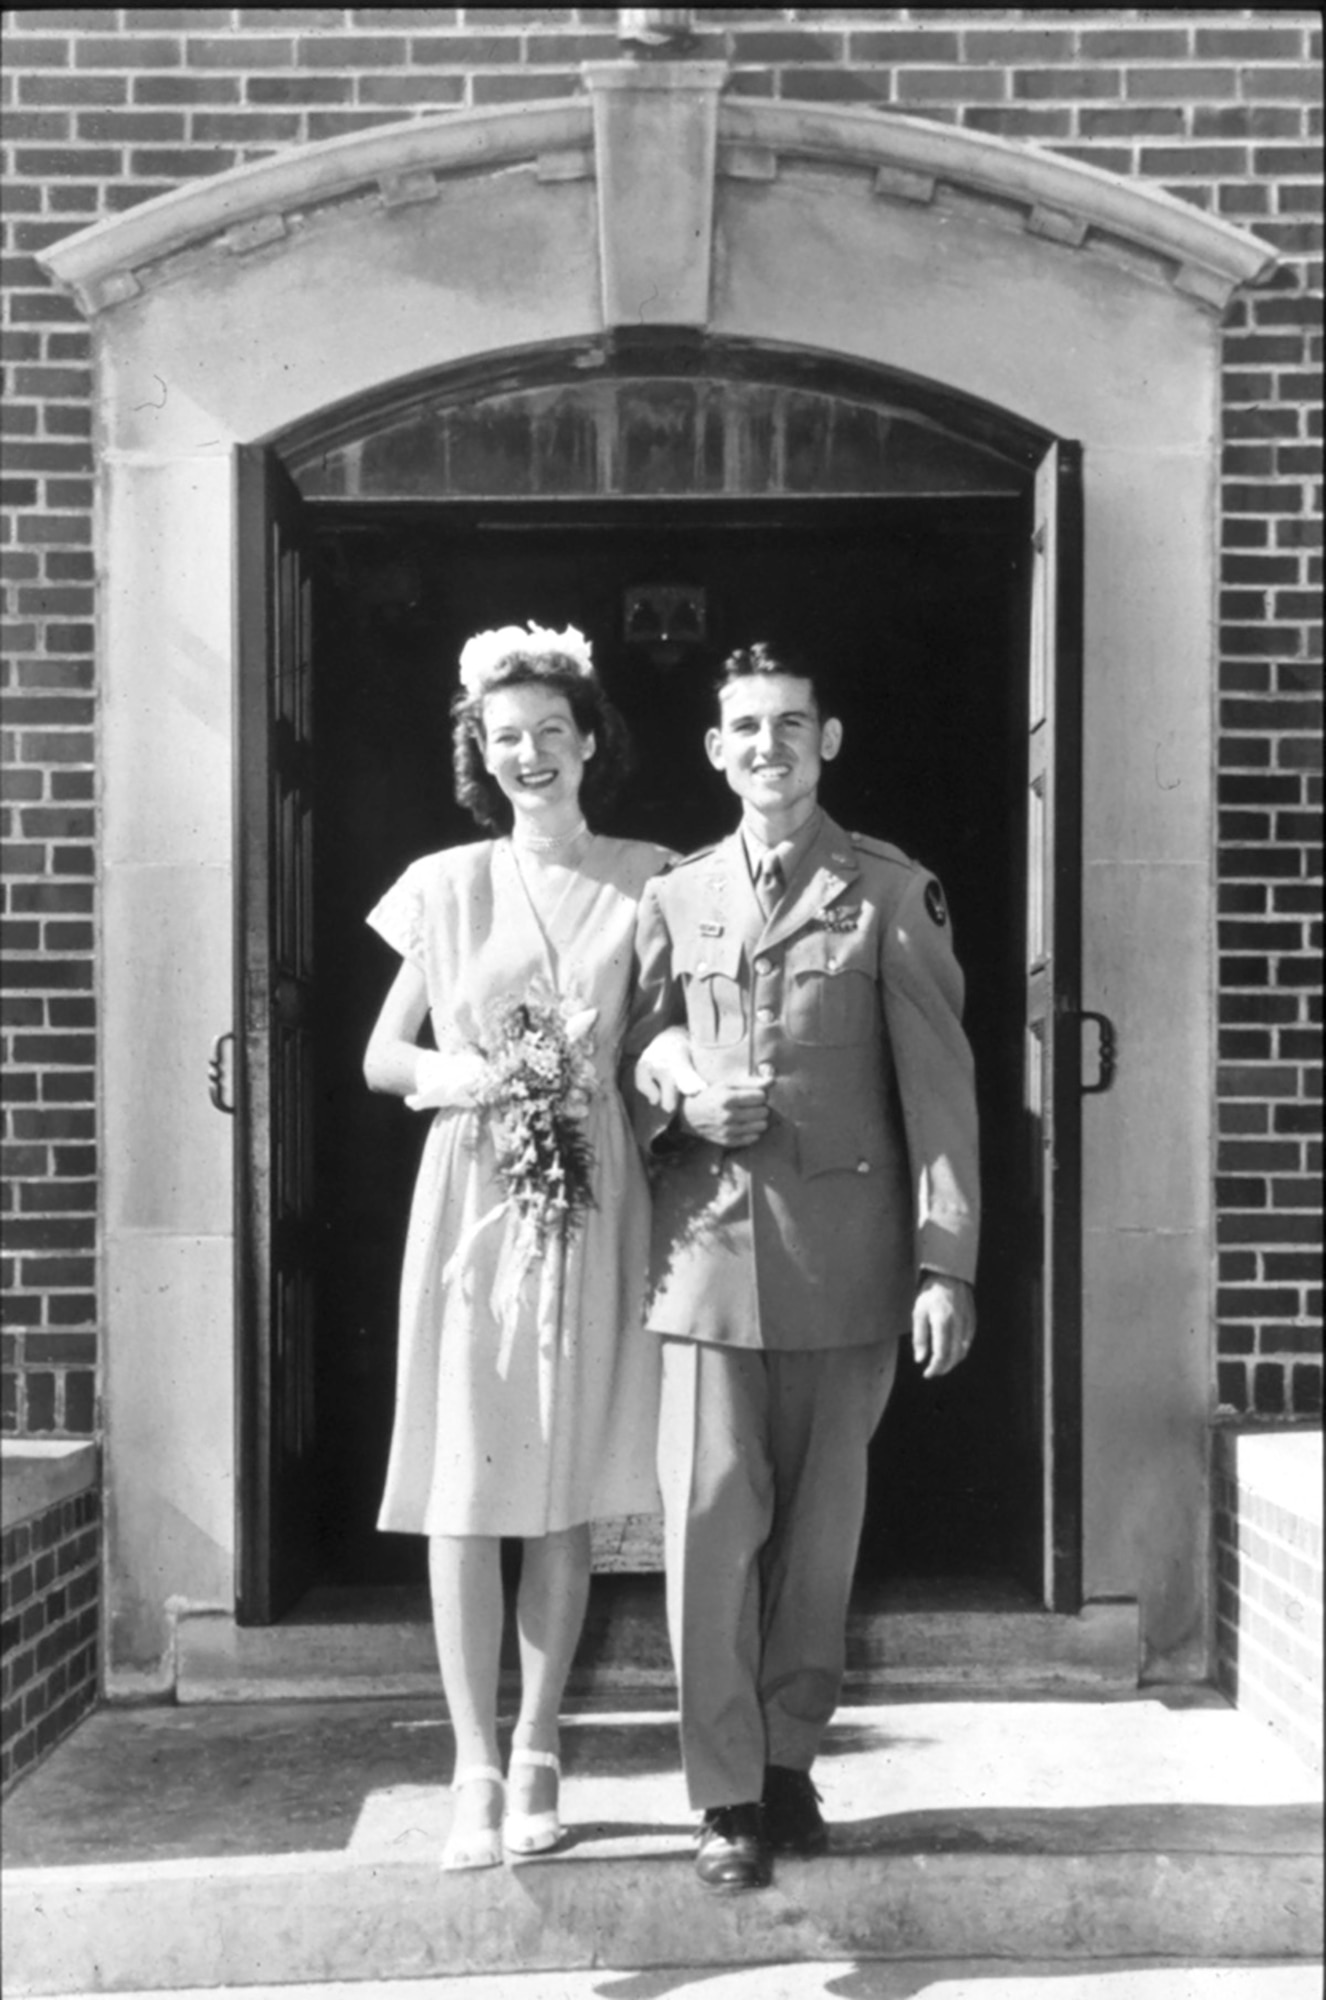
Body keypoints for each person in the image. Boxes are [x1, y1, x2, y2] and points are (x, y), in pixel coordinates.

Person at [628, 640, 980, 1893]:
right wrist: (672, 1083)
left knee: (821, 1537)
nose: (766, 746)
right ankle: (724, 1795)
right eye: (743, 727)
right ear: (714, 750)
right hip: (711, 1265)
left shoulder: (889, 891)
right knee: (712, 1529)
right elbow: (638, 1041)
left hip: (848, 1268)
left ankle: (787, 1759)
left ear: (827, 740)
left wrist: (947, 1263)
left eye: (790, 723)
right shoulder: (677, 896)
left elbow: (940, 1090)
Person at [363, 623, 671, 1873]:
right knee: (464, 1484)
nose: (531, 755)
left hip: (597, 1192)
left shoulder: (653, 875)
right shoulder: (444, 882)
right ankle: (472, 1762)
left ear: (590, 740)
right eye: (506, 739)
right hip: (473, 1197)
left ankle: (542, 1744)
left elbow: (665, 1038)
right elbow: (382, 1056)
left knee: (560, 1484)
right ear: (479, 756)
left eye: (552, 731)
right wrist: (474, 1072)